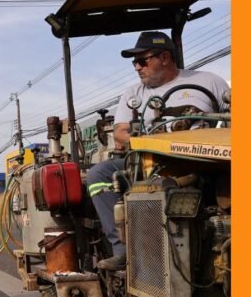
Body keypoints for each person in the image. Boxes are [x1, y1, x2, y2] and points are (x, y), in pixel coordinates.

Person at [87, 31, 230, 270]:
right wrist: (143, 141)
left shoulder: (209, 82)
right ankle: (123, 250)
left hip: (208, 159)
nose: (137, 67)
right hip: (152, 161)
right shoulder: (134, 94)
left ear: (164, 57)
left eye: (142, 61)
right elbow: (120, 131)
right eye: (135, 62)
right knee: (98, 174)